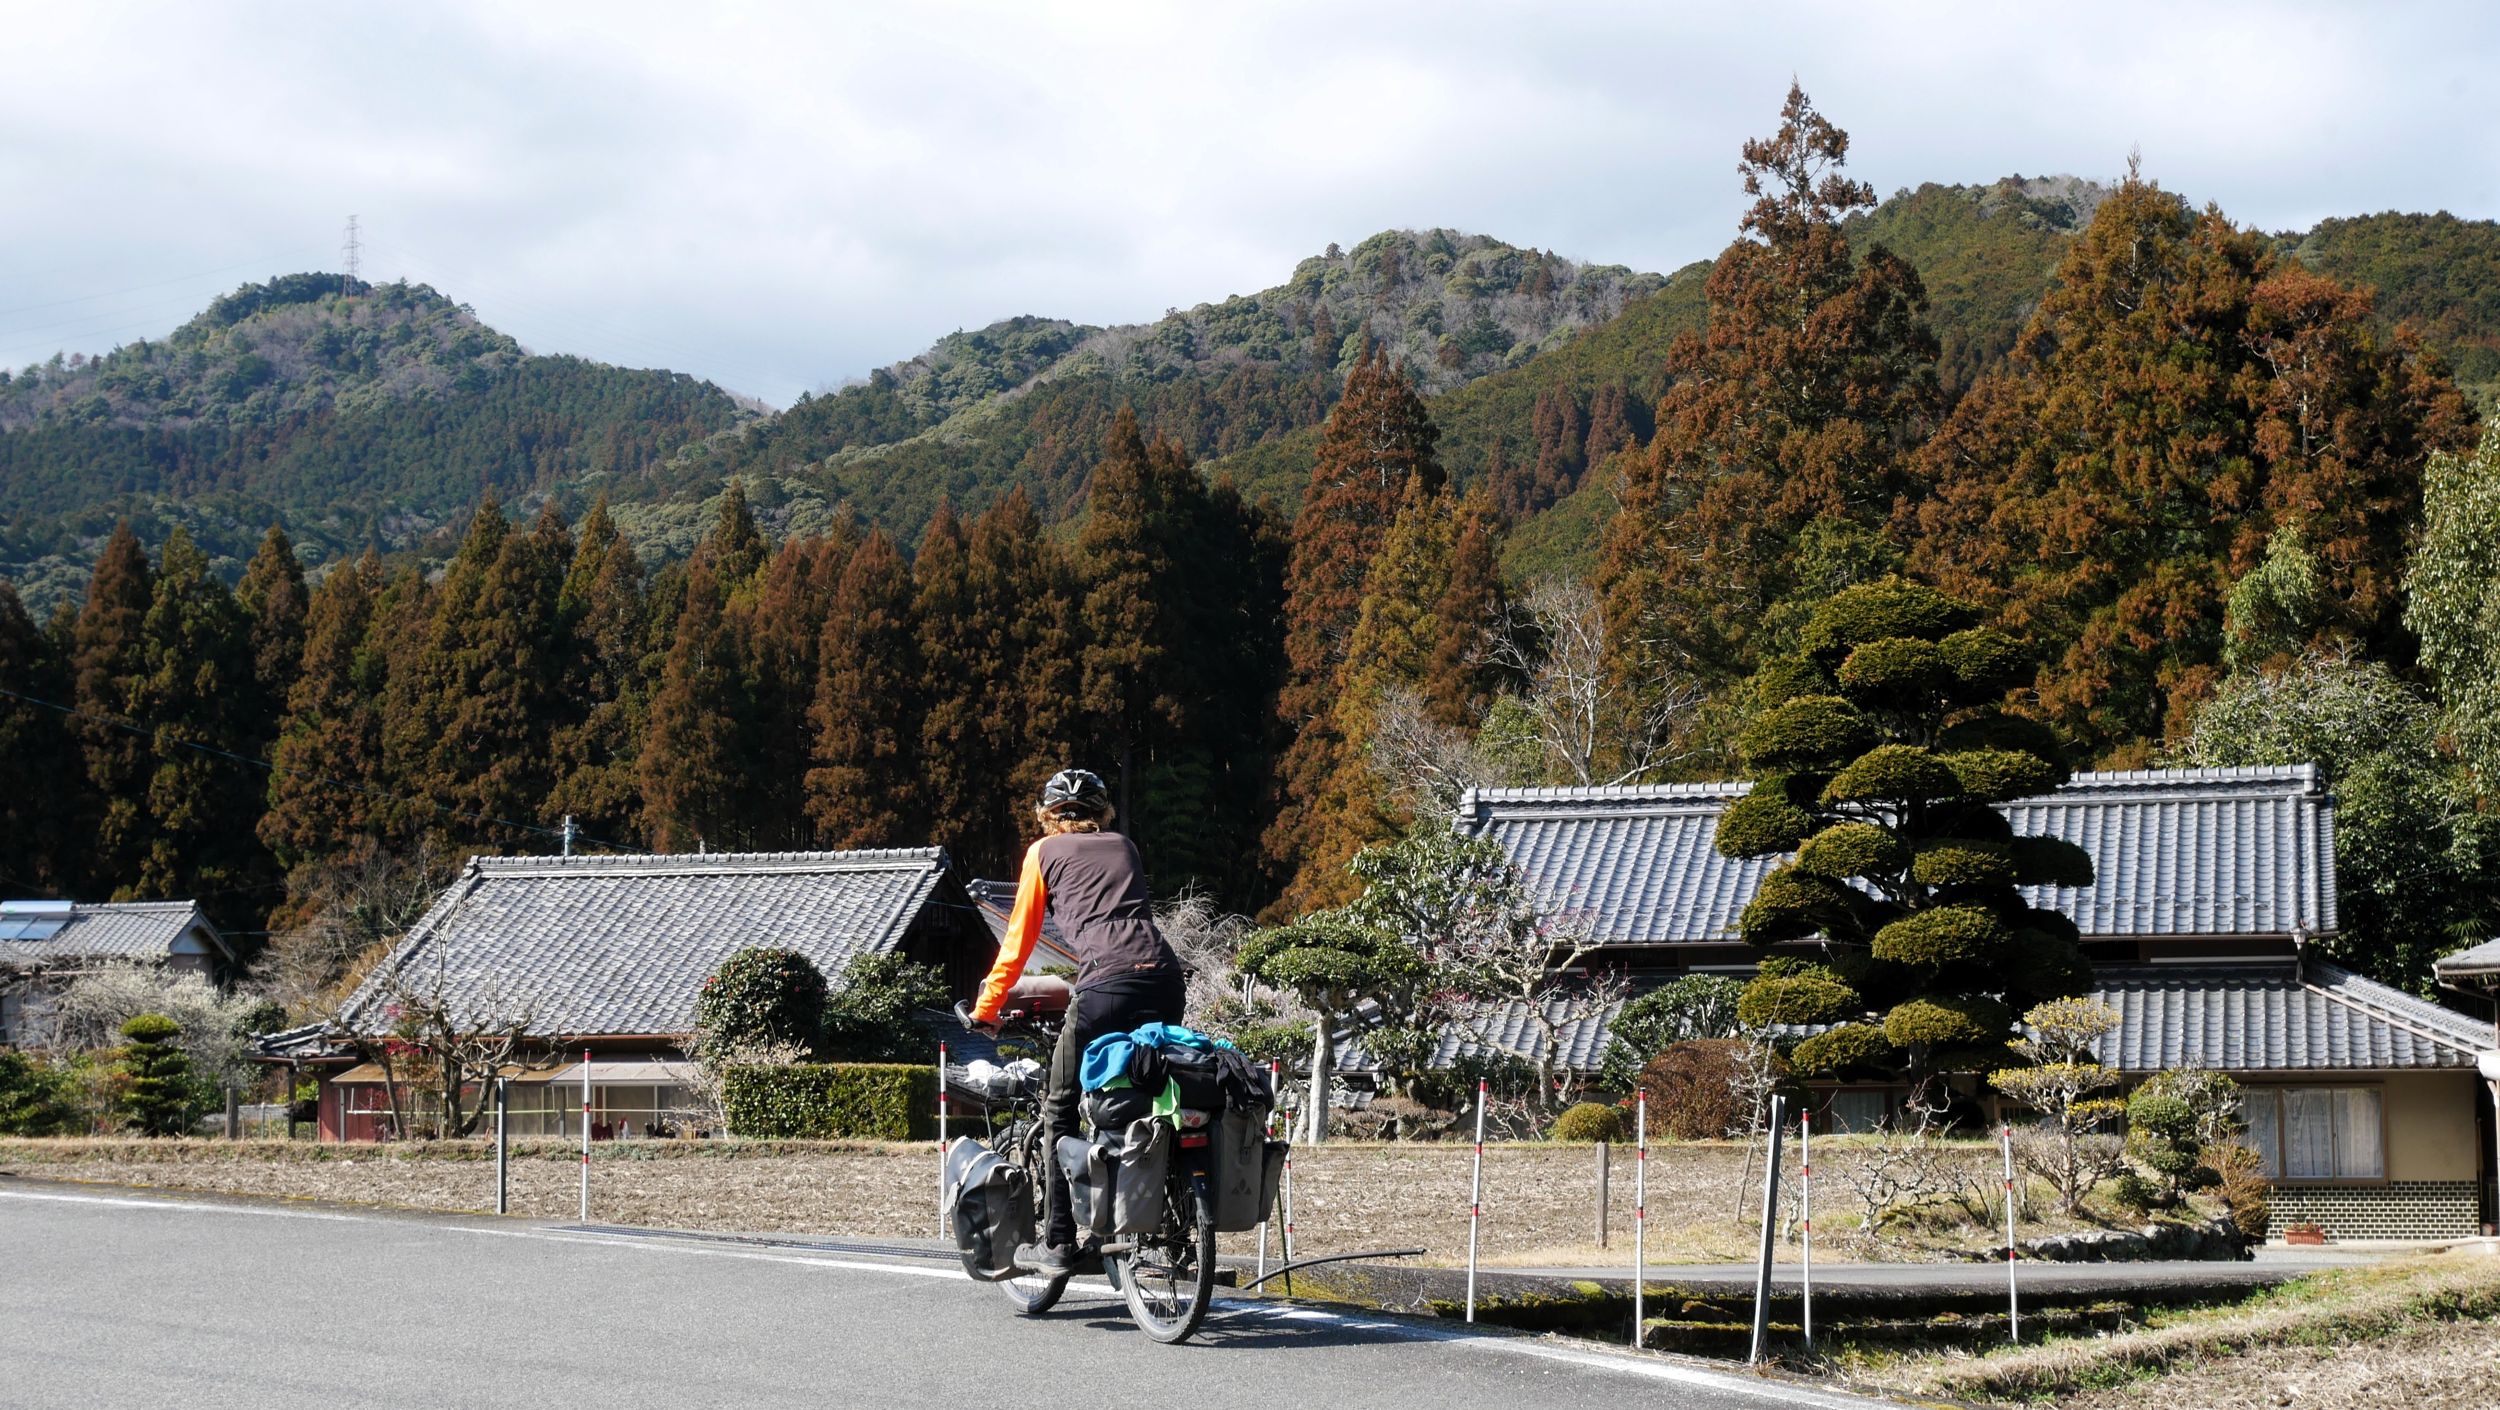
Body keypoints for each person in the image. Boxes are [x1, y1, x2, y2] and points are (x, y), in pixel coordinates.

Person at [967, 767, 1184, 1274]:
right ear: (1102, 813)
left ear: (1048, 817)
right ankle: (1169, 1225)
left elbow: (1018, 942)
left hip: (1105, 986)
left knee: (1059, 1106)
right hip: (1164, 979)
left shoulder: (1043, 853)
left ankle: (1060, 1240)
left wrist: (986, 1008)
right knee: (1145, 1093)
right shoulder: (1124, 846)